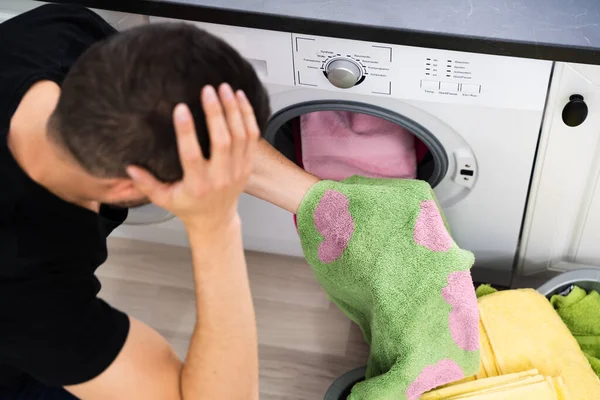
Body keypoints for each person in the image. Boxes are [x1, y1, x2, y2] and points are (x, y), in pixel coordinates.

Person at [0, 4, 319, 399]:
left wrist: (323, 203)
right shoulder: (30, 294)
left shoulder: (59, 34)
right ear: (125, 188)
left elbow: (180, 117)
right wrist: (214, 227)